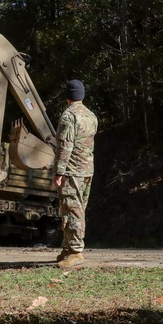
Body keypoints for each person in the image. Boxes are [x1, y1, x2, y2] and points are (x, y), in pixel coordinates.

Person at [52, 79, 98, 269]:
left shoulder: (69, 116)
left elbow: (65, 146)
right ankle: (67, 248)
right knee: (75, 208)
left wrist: (59, 171)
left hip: (72, 170)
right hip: (87, 169)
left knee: (72, 209)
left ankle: (76, 251)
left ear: (67, 97)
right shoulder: (91, 115)